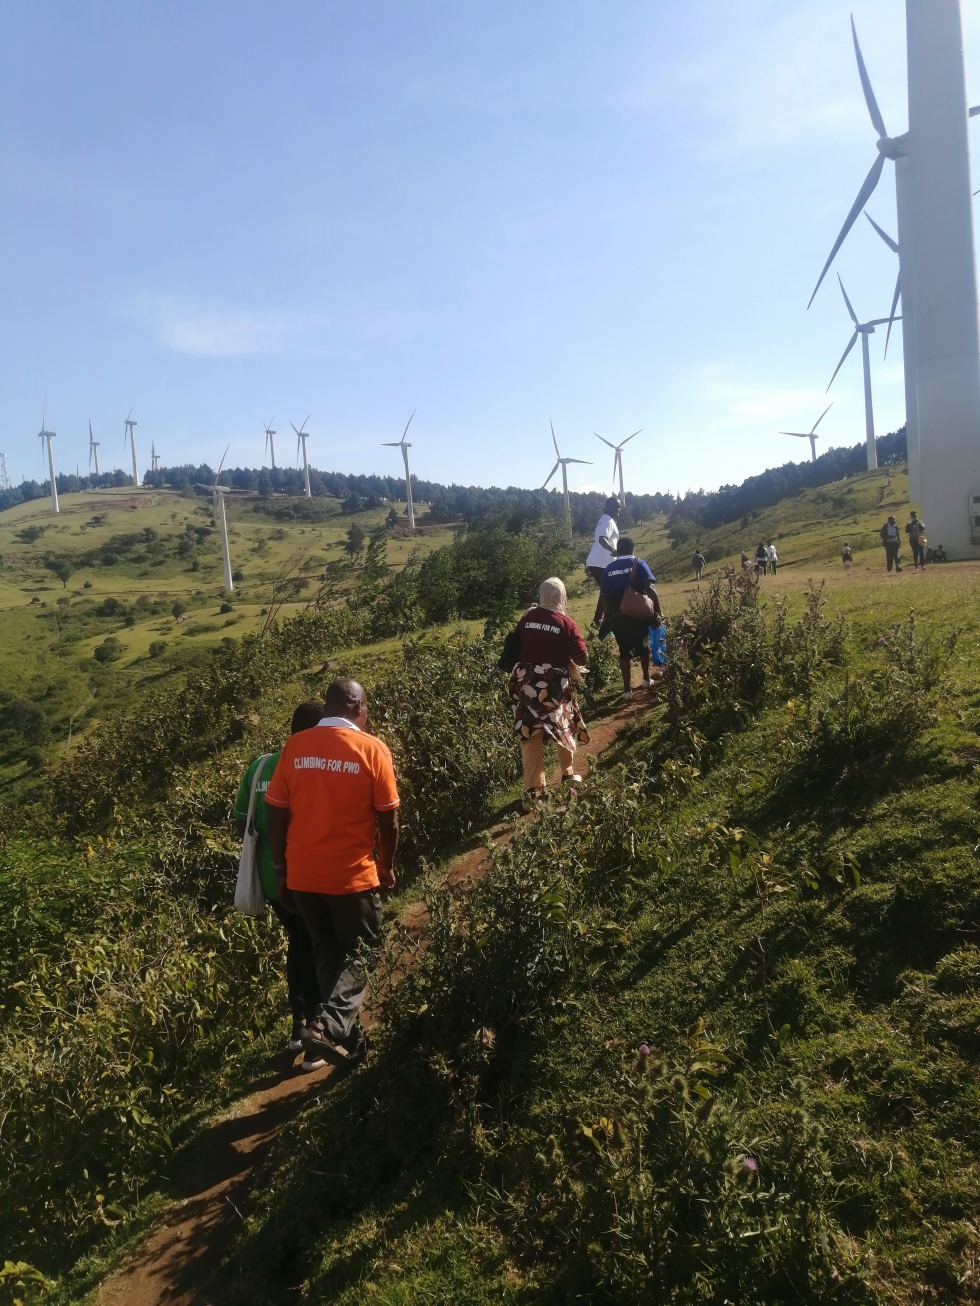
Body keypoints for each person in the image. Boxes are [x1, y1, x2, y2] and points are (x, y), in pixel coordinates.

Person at [265, 678, 399, 1072]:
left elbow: (276, 812)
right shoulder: (372, 749)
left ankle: (350, 1045)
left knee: (328, 955)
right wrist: (387, 865)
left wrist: (281, 870)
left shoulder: (295, 747)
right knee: (365, 949)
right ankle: (325, 1026)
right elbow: (388, 818)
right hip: (350, 877)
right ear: (358, 707)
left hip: (304, 877)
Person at [233, 700, 324, 1053]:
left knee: (298, 942)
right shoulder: (306, 767)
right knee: (312, 946)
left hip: (270, 882)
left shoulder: (259, 766)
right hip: (303, 875)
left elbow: (242, 823)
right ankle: (311, 1024)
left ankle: (298, 1023)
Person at [509, 577, 590, 800]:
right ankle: (568, 775)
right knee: (562, 726)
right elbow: (581, 659)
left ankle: (533, 792)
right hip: (551, 685)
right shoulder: (566, 623)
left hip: (523, 684)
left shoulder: (528, 616)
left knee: (530, 733)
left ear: (541, 595)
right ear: (562, 597)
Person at [597, 537, 661, 702]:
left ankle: (627, 690)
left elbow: (604, 596)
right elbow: (650, 588)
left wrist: (609, 616)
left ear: (618, 550)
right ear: (633, 549)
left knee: (624, 652)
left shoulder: (609, 568)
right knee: (644, 645)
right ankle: (646, 679)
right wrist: (658, 611)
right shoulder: (639, 563)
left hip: (618, 617)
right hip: (639, 613)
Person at [585, 497, 621, 587]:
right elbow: (602, 539)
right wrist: (614, 550)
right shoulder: (607, 520)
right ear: (608, 507)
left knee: (606, 592)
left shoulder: (606, 519)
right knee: (610, 592)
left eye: (619, 507)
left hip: (598, 562)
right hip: (602, 563)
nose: (618, 509)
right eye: (616, 506)